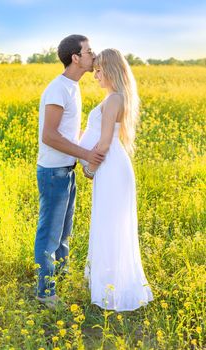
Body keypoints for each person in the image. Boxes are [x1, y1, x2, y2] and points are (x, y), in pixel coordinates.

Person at [79, 49, 154, 311]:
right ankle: (112, 283)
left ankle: (113, 289)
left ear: (111, 70)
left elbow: (103, 142)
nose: (95, 75)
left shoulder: (113, 100)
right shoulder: (116, 97)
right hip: (113, 166)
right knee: (110, 223)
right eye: (95, 70)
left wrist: (88, 168)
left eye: (99, 71)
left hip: (110, 166)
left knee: (109, 224)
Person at [35, 34, 105, 308]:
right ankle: (45, 291)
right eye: (89, 51)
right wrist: (87, 155)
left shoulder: (73, 87)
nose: (93, 55)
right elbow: (49, 136)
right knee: (49, 233)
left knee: (64, 231)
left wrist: (84, 157)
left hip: (67, 168)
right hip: (53, 172)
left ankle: (61, 276)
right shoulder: (58, 89)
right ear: (76, 58)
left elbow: (69, 133)